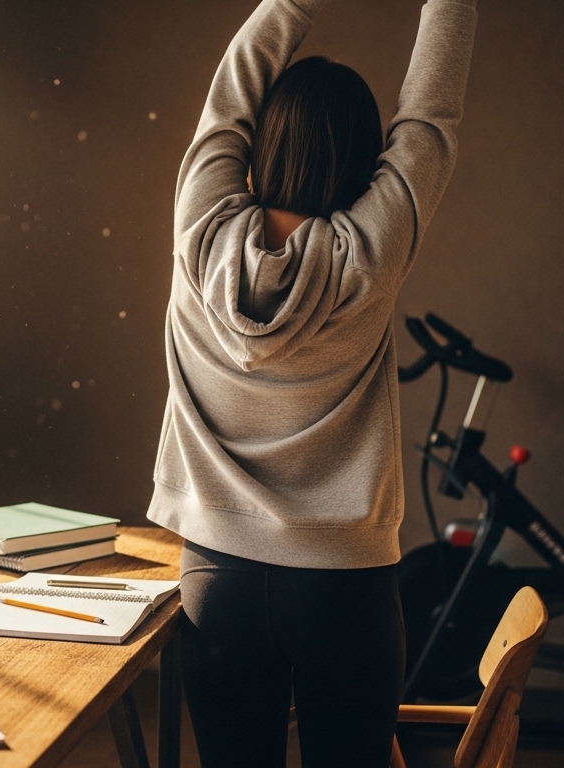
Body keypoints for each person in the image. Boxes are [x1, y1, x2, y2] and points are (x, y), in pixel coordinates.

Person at [146, 0, 479, 765]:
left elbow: (230, 93)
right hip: (346, 590)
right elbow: (429, 121)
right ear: (370, 163)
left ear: (259, 146)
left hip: (216, 584)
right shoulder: (373, 248)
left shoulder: (198, 228)